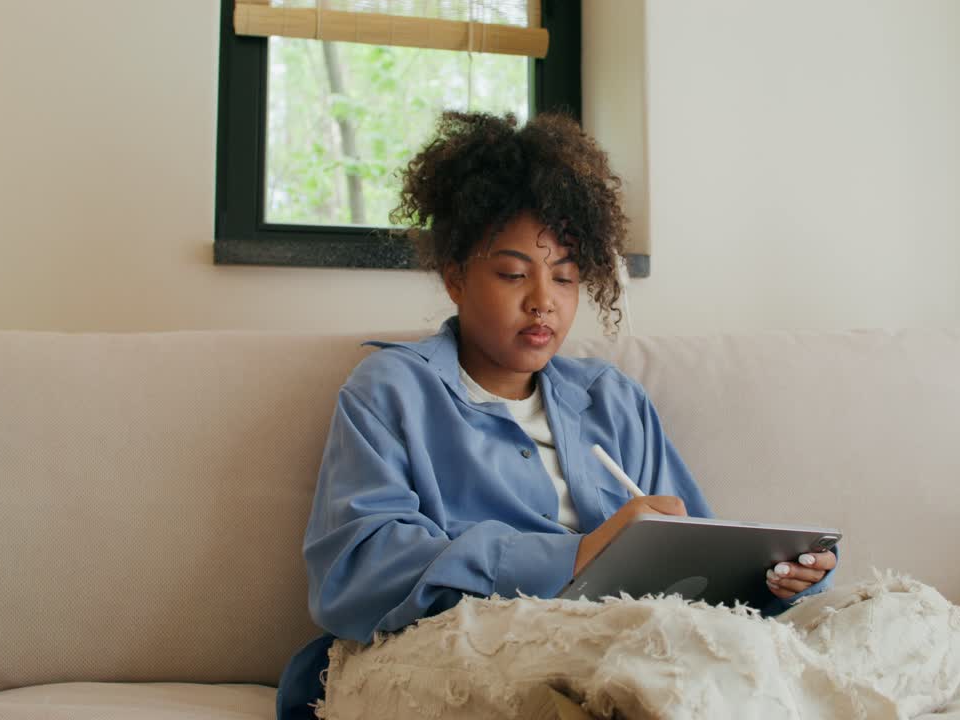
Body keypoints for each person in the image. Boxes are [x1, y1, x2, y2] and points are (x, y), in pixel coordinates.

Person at [275, 111, 838, 720]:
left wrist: (775, 579)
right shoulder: (391, 391)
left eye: (565, 278)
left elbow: (698, 567)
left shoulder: (613, 400)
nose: (543, 299)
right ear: (457, 278)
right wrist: (578, 555)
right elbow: (358, 570)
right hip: (459, 650)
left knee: (897, 614)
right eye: (514, 273)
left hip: (625, 644)